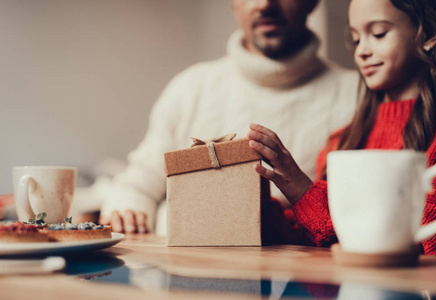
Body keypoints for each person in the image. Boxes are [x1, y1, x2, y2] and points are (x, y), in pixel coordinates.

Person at [81, 0, 359, 234]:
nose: (265, 4)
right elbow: (139, 182)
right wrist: (127, 204)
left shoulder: (358, 97)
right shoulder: (191, 88)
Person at [248, 0, 436, 255]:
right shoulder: (341, 141)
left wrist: (304, 192)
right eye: (356, 39)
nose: (362, 51)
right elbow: (320, 240)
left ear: (429, 35)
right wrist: (260, 209)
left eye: (378, 34)